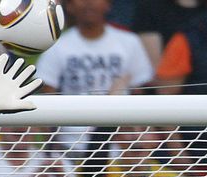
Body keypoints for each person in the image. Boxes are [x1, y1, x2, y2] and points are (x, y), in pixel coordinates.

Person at [36, 0, 155, 155]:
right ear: (70, 6)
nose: (89, 3)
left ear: (108, 4)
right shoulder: (57, 47)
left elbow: (142, 96)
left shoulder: (129, 42)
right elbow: (47, 101)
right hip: (70, 147)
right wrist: (53, 151)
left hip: (120, 149)